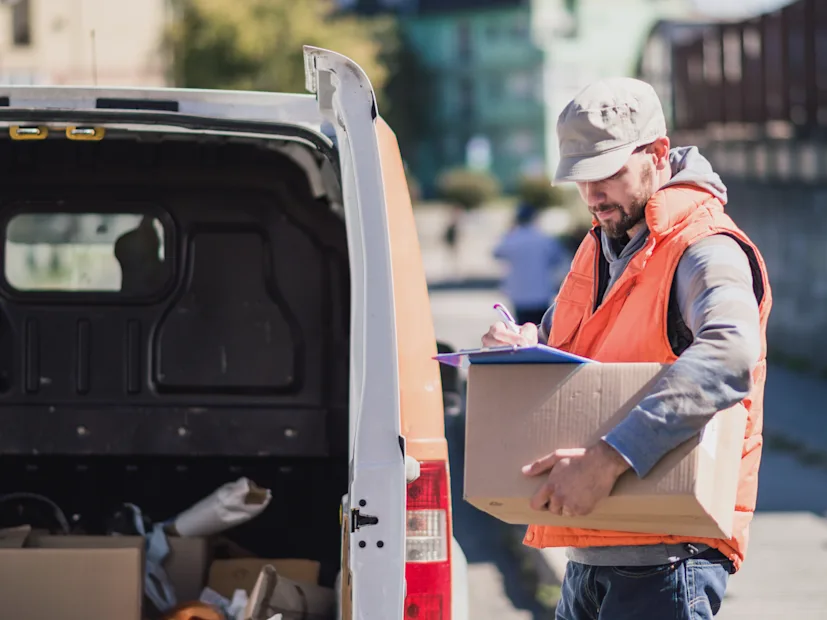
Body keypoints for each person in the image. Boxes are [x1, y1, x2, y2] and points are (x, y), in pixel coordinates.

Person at [482, 78, 772, 619]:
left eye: (607, 173)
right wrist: (523, 347)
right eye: (580, 178)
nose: (592, 195)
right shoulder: (600, 245)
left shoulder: (705, 247)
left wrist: (608, 458)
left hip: (667, 564)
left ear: (658, 155)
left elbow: (731, 354)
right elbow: (565, 349)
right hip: (590, 556)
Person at [492, 203, 567, 325]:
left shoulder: (511, 238)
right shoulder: (544, 238)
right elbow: (558, 260)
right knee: (541, 331)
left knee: (522, 330)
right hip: (541, 292)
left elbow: (496, 253)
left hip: (519, 293)